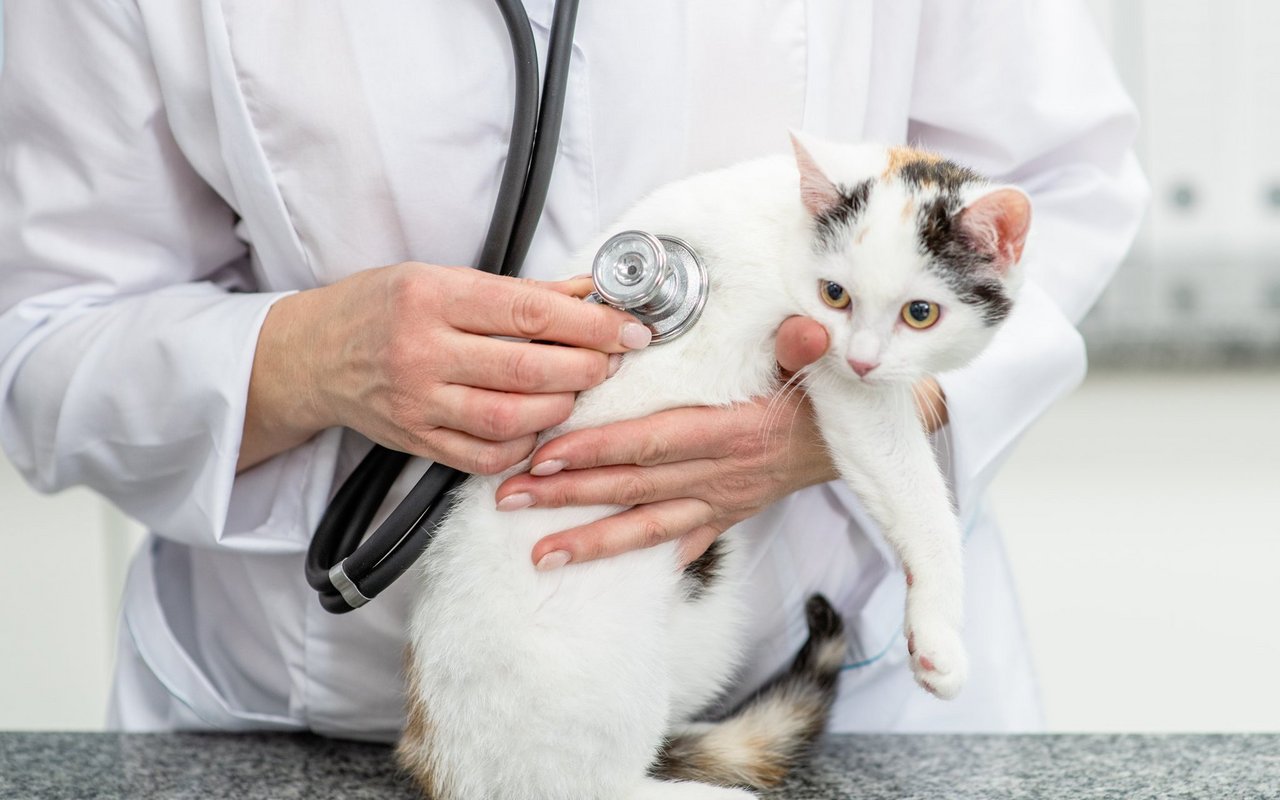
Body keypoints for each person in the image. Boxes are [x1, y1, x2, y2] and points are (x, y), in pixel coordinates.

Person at [0, 1, 1146, 739]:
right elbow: (44, 335)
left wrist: (841, 408)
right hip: (304, 711)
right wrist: (304, 358)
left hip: (838, 687)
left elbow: (1060, 186)